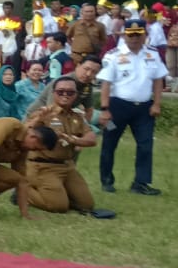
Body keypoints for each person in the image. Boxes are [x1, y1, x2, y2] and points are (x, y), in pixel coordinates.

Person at [97, 17, 167, 195]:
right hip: (117, 107)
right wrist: (104, 109)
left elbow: (158, 80)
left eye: (138, 34)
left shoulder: (153, 53)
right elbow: (106, 83)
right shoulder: (113, 55)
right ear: (125, 35)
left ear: (145, 35)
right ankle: (106, 180)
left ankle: (140, 183)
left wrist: (157, 103)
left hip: (144, 108)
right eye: (131, 35)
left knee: (145, 145)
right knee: (109, 143)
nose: (134, 38)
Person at [28, 76, 113, 218]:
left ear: (76, 95)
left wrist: (74, 140)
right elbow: (25, 132)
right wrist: (38, 120)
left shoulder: (77, 116)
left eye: (70, 92)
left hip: (67, 166)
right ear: (53, 93)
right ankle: (22, 190)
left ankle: (59, 193)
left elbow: (91, 139)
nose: (65, 95)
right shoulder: (44, 113)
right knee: (58, 206)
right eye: (61, 92)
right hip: (43, 167)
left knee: (86, 205)